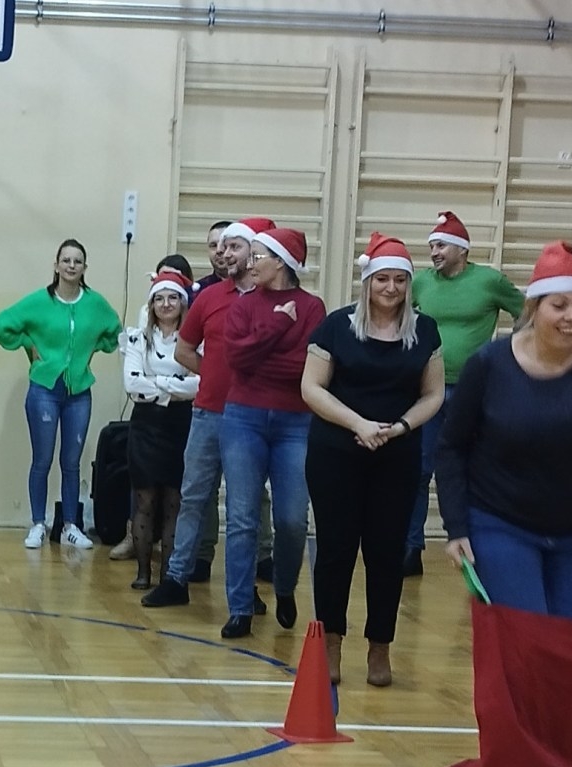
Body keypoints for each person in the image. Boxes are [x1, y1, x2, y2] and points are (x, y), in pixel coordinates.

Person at [437, 241, 572, 619]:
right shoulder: (488, 365)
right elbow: (452, 447)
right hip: (500, 523)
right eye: (559, 305)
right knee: (526, 637)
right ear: (534, 308)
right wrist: (456, 526)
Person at [300, 235, 444, 685]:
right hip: (336, 452)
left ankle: (380, 647)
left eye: (400, 279)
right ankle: (331, 644)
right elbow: (311, 388)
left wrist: (399, 427)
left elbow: (433, 394)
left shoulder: (425, 330)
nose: (391, 287)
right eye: (383, 278)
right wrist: (358, 424)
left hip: (396, 454)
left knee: (386, 553)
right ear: (367, 281)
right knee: (335, 551)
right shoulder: (336, 326)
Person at [142, 218, 277, 610]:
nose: (224, 253)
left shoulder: (273, 301)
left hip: (252, 418)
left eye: (234, 247)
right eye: (222, 247)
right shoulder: (210, 297)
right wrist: (216, 372)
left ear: (254, 253)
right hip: (208, 413)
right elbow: (184, 350)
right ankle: (176, 578)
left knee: (244, 508)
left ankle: (245, 588)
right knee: (193, 497)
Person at [218, 227, 326, 639]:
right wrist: (278, 327)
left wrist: (260, 353)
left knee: (293, 519)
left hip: (296, 422)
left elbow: (304, 367)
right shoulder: (244, 305)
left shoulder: (312, 307)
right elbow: (236, 359)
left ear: (280, 262)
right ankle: (240, 607)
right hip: (242, 418)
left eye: (258, 256)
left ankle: (283, 586)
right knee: (242, 518)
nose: (250, 263)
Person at [405, 211, 527, 575]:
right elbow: (399, 319)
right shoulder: (421, 283)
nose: (434, 252)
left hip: (474, 391)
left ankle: (475, 545)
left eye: (441, 245)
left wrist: (510, 353)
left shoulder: (489, 281)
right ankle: (410, 547)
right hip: (427, 389)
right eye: (431, 246)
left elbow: (527, 312)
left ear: (462, 249)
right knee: (418, 469)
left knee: (472, 470)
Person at [0, 239, 123, 549]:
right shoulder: (40, 301)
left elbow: (115, 333)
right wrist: (28, 344)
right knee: (43, 459)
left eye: (78, 261)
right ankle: (38, 523)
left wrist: (91, 350)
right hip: (44, 391)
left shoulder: (95, 303)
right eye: (66, 260)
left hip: (79, 392)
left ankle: (71, 526)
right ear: (56, 265)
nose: (71, 265)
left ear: (85, 267)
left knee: (71, 461)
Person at [121, 271, 199, 589]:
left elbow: (201, 384)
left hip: (181, 425)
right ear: (151, 305)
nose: (166, 304)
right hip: (145, 426)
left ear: (182, 303)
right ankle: (143, 573)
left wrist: (156, 384)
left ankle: (169, 575)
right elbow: (131, 384)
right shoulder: (137, 339)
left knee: (173, 502)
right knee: (145, 501)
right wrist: (175, 385)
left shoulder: (196, 340)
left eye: (173, 298)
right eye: (159, 299)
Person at [196, 221, 232, 294]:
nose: (219, 250)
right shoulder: (197, 292)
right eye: (214, 245)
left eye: (224, 244)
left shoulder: (253, 288)